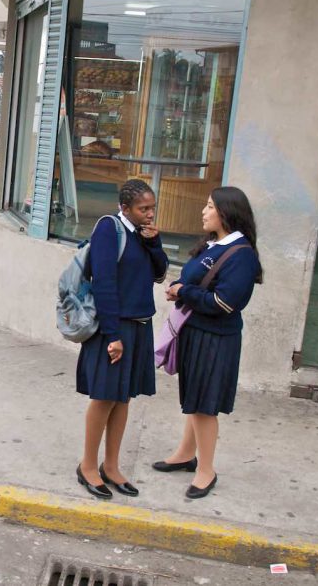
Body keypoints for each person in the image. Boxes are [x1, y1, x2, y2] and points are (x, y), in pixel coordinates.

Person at [154, 186, 263, 500]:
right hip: (196, 331)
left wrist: (183, 292)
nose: (204, 211)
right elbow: (193, 280)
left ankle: (206, 470)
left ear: (227, 213)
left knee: (205, 405)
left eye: (210, 206)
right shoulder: (213, 244)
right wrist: (179, 286)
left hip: (215, 338)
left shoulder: (241, 255)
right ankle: (186, 454)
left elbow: (225, 303)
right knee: (195, 399)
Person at [75, 179, 168, 500]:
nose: (149, 213)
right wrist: (113, 335)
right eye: (143, 208)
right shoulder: (109, 229)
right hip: (113, 327)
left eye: (152, 208)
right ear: (124, 207)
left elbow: (160, 274)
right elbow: (104, 282)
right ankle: (87, 465)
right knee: (103, 398)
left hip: (140, 325)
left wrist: (154, 243)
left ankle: (111, 466)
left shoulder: (144, 235)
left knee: (124, 397)